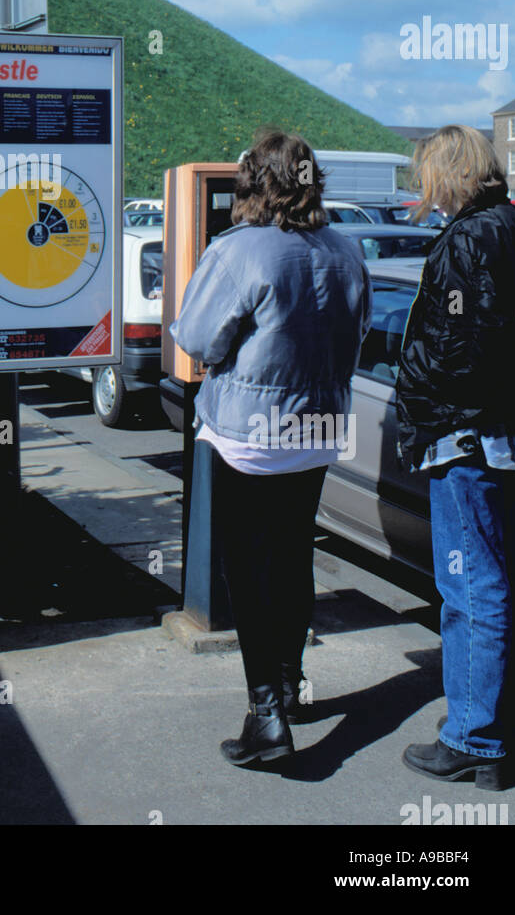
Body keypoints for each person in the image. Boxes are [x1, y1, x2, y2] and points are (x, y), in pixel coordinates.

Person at [174, 129, 372, 767]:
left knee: (249, 572)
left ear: (257, 182)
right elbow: (359, 333)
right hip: (316, 429)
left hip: (249, 436)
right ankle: (289, 684)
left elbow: (200, 340)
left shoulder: (239, 251)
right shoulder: (346, 250)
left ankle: (266, 716)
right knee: (291, 557)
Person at [396, 125, 515, 792]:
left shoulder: (465, 240)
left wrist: (411, 383)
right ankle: (495, 738)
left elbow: (459, 350)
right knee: (496, 582)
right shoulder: (507, 226)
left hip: (465, 438)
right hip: (501, 438)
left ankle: (472, 737)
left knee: (470, 589)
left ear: (447, 174)